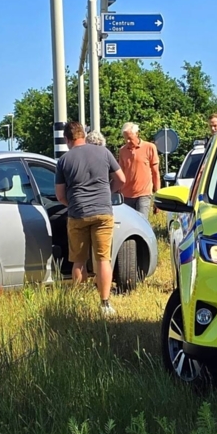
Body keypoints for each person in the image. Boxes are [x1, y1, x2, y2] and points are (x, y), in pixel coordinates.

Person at [55, 121, 126, 316]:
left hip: (78, 214)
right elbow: (122, 179)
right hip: (103, 212)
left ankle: (78, 302)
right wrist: (107, 193)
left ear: (67, 139)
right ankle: (105, 304)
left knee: (78, 261)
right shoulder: (103, 152)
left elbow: (60, 195)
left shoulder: (64, 161)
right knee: (103, 259)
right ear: (83, 135)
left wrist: (75, 203)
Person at [117, 122, 160, 219]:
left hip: (143, 194)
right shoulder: (123, 151)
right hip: (126, 195)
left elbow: (155, 173)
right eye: (125, 138)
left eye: (130, 138)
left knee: (142, 222)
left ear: (137, 134)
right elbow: (121, 173)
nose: (127, 141)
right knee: (129, 225)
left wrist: (157, 197)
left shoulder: (150, 148)